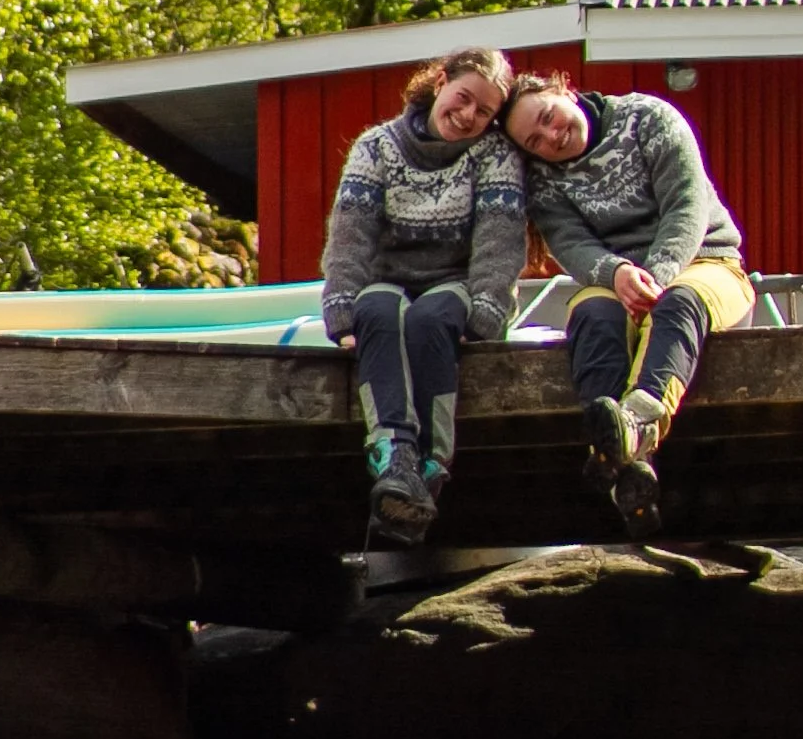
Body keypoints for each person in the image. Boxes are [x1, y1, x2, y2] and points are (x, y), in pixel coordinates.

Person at [502, 75, 752, 531]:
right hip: (615, 278)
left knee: (679, 304)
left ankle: (635, 424)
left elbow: (686, 206)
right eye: (535, 141)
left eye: (548, 117)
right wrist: (615, 274)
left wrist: (654, 278)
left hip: (704, 261)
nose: (552, 137)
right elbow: (570, 241)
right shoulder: (542, 179)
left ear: (565, 90)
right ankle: (630, 475)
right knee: (591, 315)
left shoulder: (649, 118)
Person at [320, 46, 526, 543]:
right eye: (464, 98)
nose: (469, 115)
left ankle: (433, 462)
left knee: (430, 319)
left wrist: (488, 308)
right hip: (390, 275)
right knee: (377, 310)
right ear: (440, 82)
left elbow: (500, 239)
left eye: (485, 111)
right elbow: (352, 234)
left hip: (457, 280)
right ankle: (394, 453)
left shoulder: (494, 155)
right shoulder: (377, 147)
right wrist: (341, 307)